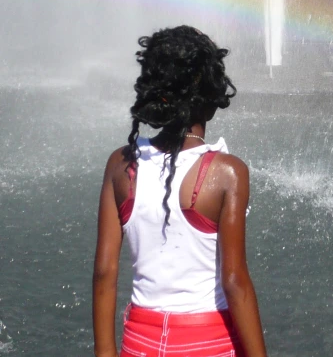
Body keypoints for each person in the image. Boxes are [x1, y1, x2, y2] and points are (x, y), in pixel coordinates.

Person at [93, 26, 268, 357]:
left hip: (140, 340)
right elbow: (234, 281)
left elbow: (104, 272)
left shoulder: (121, 165)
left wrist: (104, 351)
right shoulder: (227, 173)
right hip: (208, 339)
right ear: (212, 94)